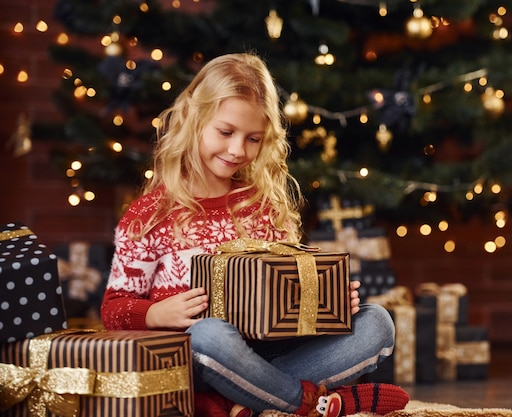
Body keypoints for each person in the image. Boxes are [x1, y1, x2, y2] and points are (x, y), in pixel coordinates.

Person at [100, 52, 409, 417]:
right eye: (226, 132)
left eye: (253, 139)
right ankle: (316, 403)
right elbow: (113, 309)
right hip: (201, 356)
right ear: (194, 120)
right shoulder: (151, 213)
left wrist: (325, 304)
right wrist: (154, 313)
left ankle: (238, 402)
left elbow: (285, 296)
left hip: (270, 350)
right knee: (209, 333)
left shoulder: (263, 205)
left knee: (377, 323)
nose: (237, 150)